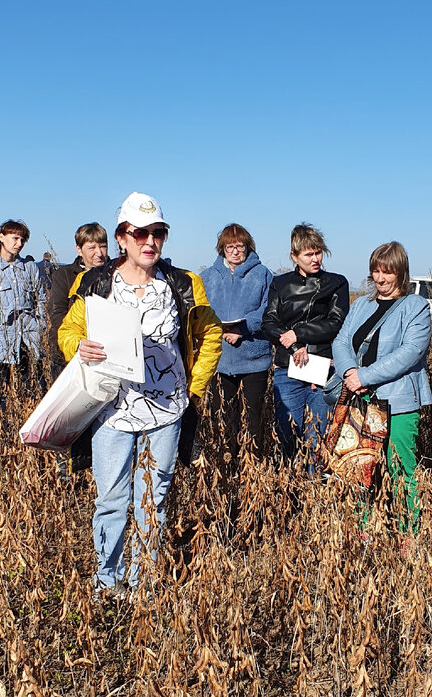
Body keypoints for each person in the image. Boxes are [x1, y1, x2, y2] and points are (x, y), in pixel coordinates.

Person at [57, 192, 221, 593]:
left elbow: (211, 335)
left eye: (158, 233)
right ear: (122, 238)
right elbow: (68, 330)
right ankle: (106, 581)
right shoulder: (95, 282)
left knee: (154, 500)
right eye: (140, 233)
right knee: (111, 500)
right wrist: (78, 347)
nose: (150, 241)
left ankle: (141, 581)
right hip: (111, 413)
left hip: (166, 413)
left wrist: (193, 390)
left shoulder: (184, 284)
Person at [331, 242, 431, 533]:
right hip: (360, 400)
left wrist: (364, 376)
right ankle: (366, 529)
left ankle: (406, 534)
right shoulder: (362, 304)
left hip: (398, 401)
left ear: (401, 273)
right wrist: (350, 372)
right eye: (375, 271)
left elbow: (410, 352)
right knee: (361, 467)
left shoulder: (416, 307)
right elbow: (341, 340)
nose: (380, 278)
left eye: (387, 272)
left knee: (401, 469)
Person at [262, 223, 348, 465]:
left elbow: (336, 322)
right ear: (294, 256)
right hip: (287, 368)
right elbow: (269, 322)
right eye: (308, 254)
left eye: (318, 252)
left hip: (323, 369)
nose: (315, 258)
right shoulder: (280, 283)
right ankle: (287, 494)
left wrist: (298, 333)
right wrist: (292, 346)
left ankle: (313, 493)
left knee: (316, 437)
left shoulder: (336, 283)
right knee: (286, 433)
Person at [200, 224, 273, 490]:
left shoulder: (263, 275)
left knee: (253, 419)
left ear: (248, 246)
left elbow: (268, 312)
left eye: (240, 246)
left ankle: (253, 470)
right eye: (230, 247)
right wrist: (219, 331)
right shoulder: (208, 277)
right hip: (221, 360)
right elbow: (202, 310)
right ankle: (228, 472)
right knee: (226, 419)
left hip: (254, 358)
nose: (235, 251)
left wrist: (242, 329)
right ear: (222, 248)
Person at [0, 219, 46, 400]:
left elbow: (40, 298)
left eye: (23, 240)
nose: (19, 244)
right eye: (15, 238)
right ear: (1, 237)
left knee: (31, 386)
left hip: (27, 337)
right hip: (0, 339)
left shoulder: (29, 267)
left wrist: (40, 325)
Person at [47, 223, 109, 374]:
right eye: (92, 247)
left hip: (105, 354)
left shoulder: (117, 274)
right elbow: (57, 313)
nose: (99, 253)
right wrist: (77, 344)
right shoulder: (65, 275)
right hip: (69, 356)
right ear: (79, 249)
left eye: (103, 246)